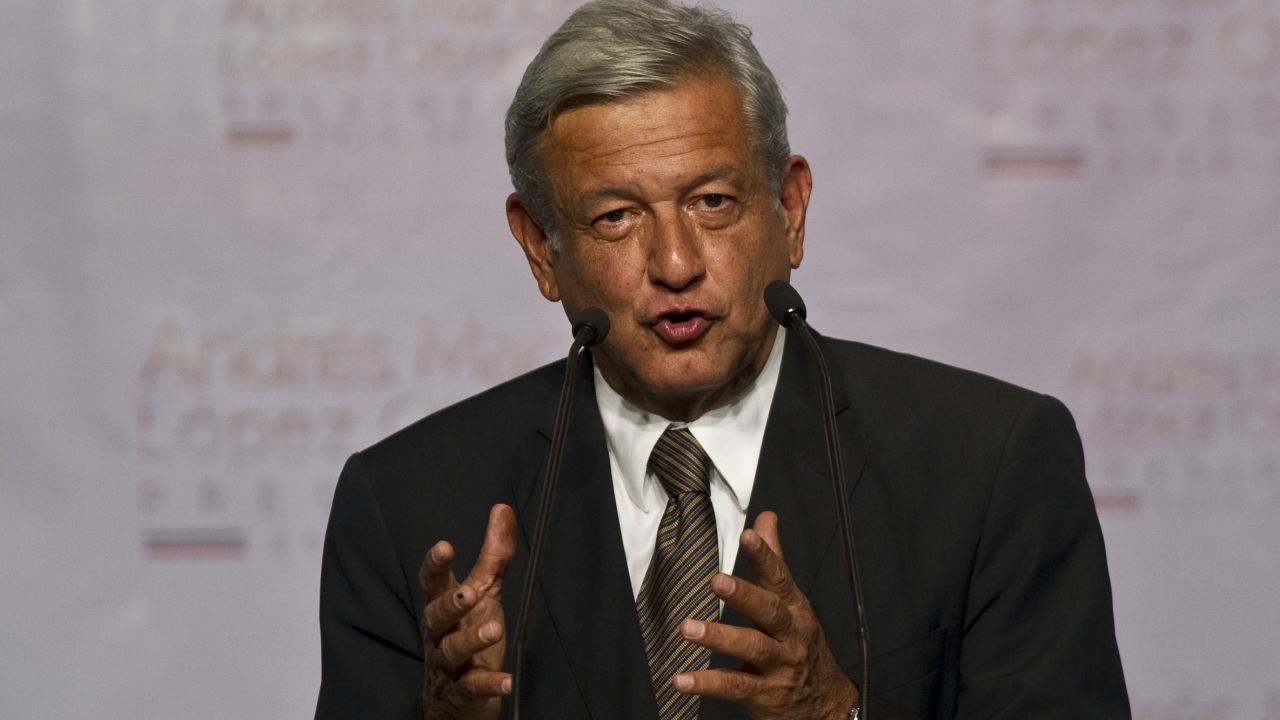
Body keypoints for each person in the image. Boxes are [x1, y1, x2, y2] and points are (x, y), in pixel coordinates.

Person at [314, 1, 1130, 718]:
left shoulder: (989, 467)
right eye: (616, 217)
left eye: (713, 202)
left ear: (790, 209)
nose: (675, 263)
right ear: (541, 249)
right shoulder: (406, 508)